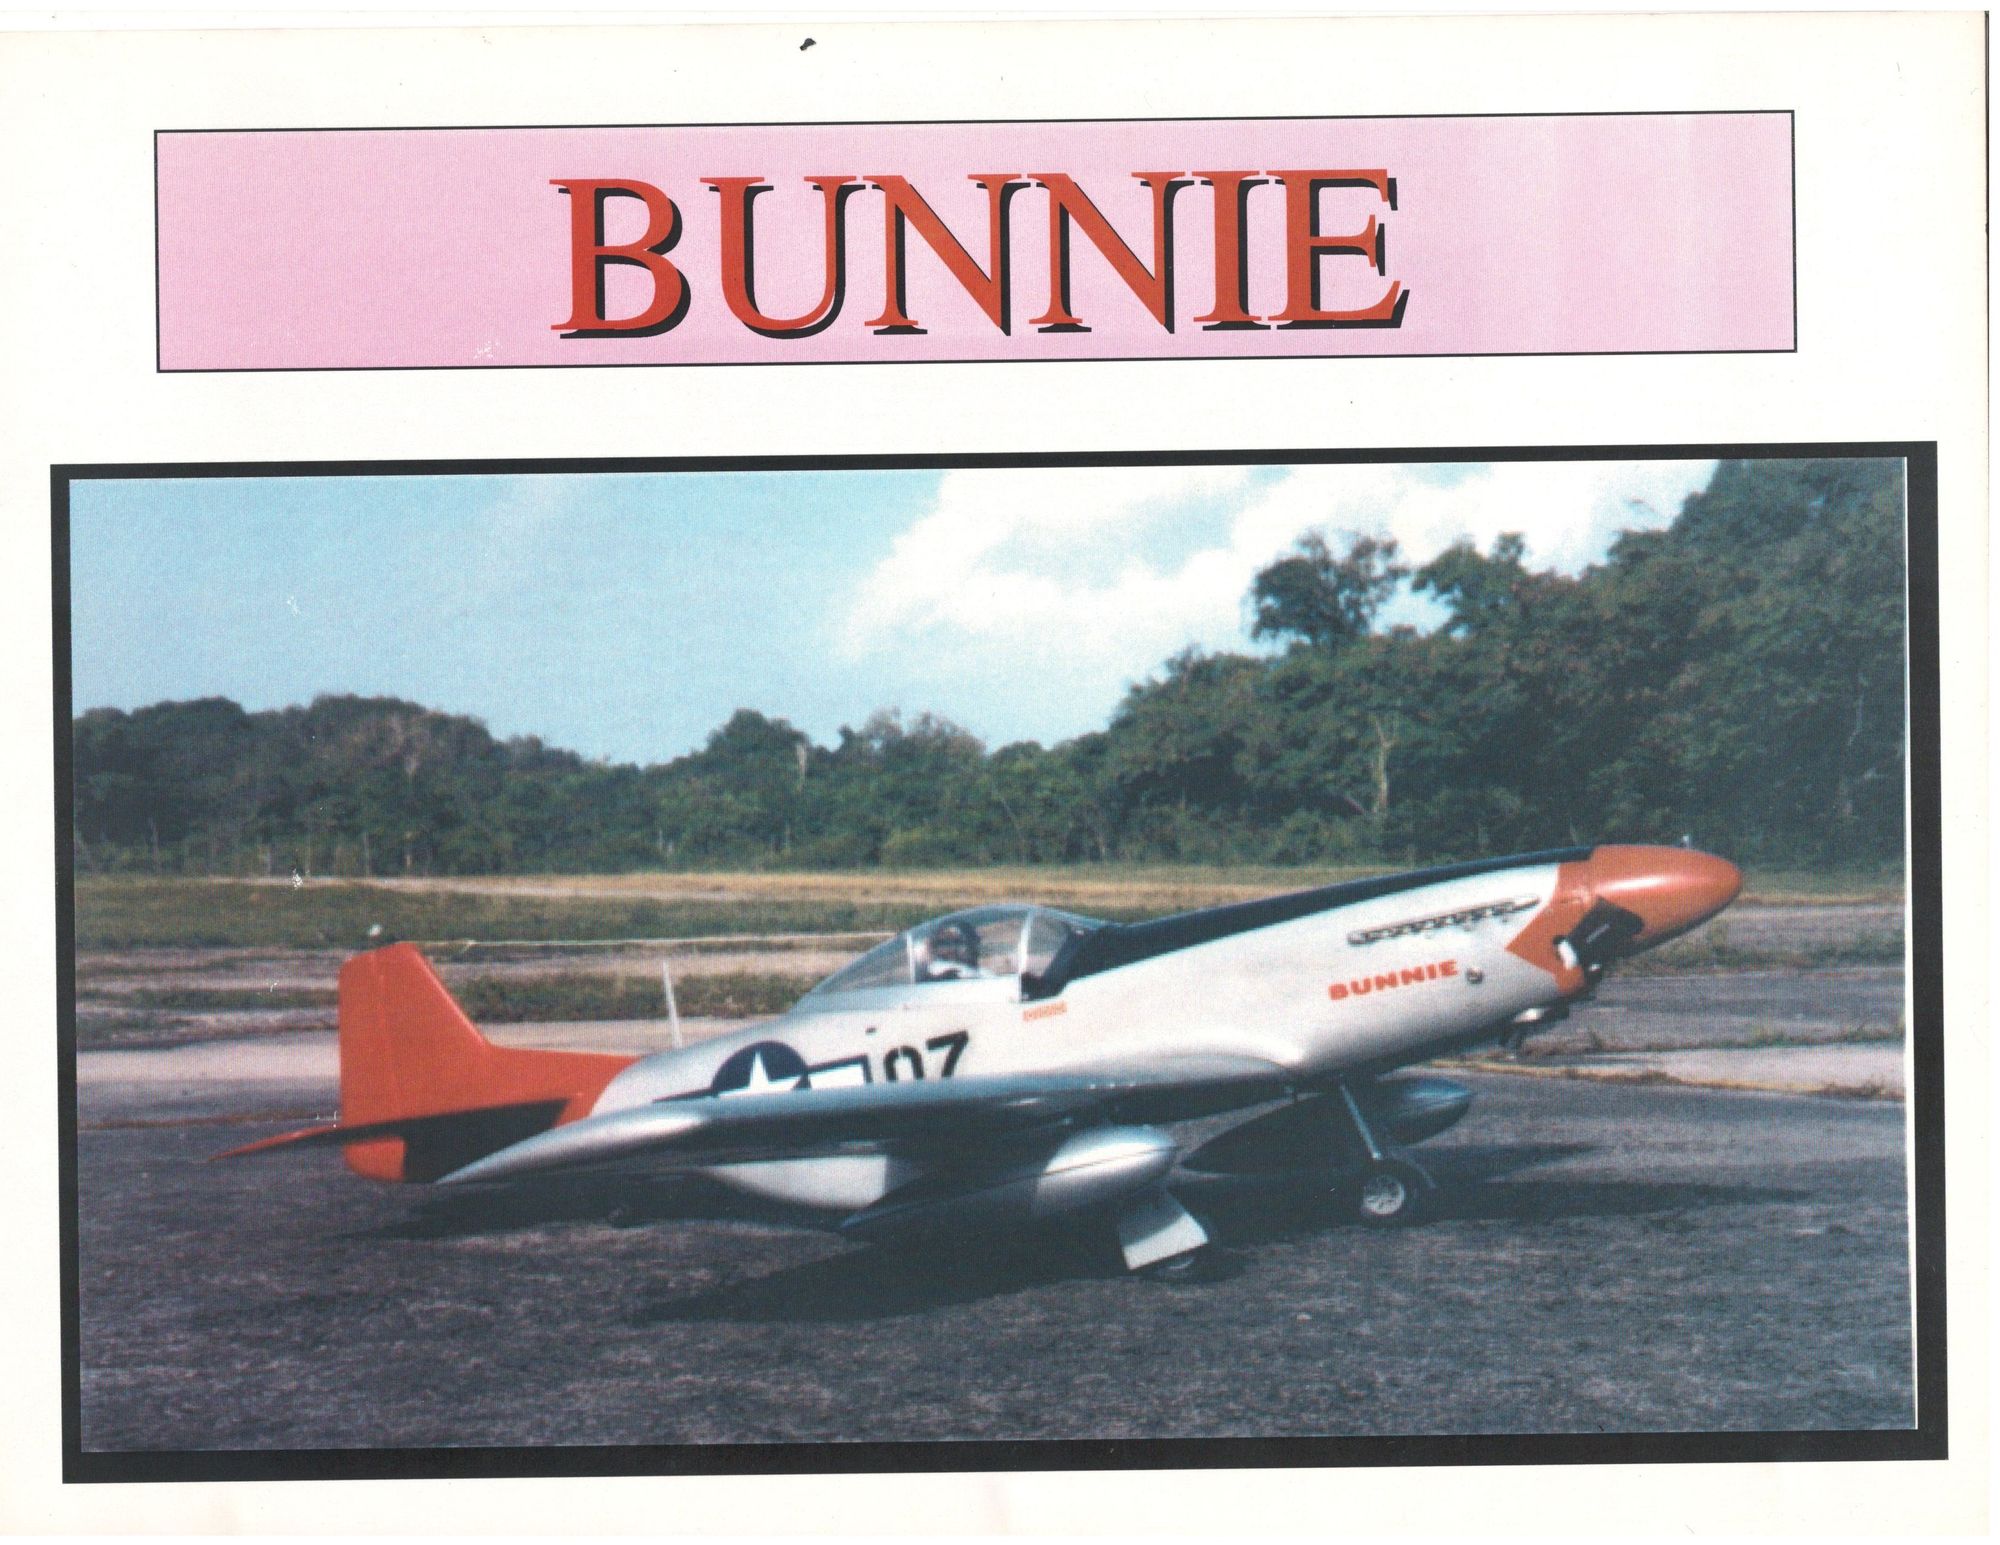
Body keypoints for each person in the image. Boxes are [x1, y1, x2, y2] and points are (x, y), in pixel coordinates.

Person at [916, 919, 985, 981]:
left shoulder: (982, 973)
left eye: (957, 942)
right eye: (943, 943)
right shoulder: (937, 970)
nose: (951, 948)